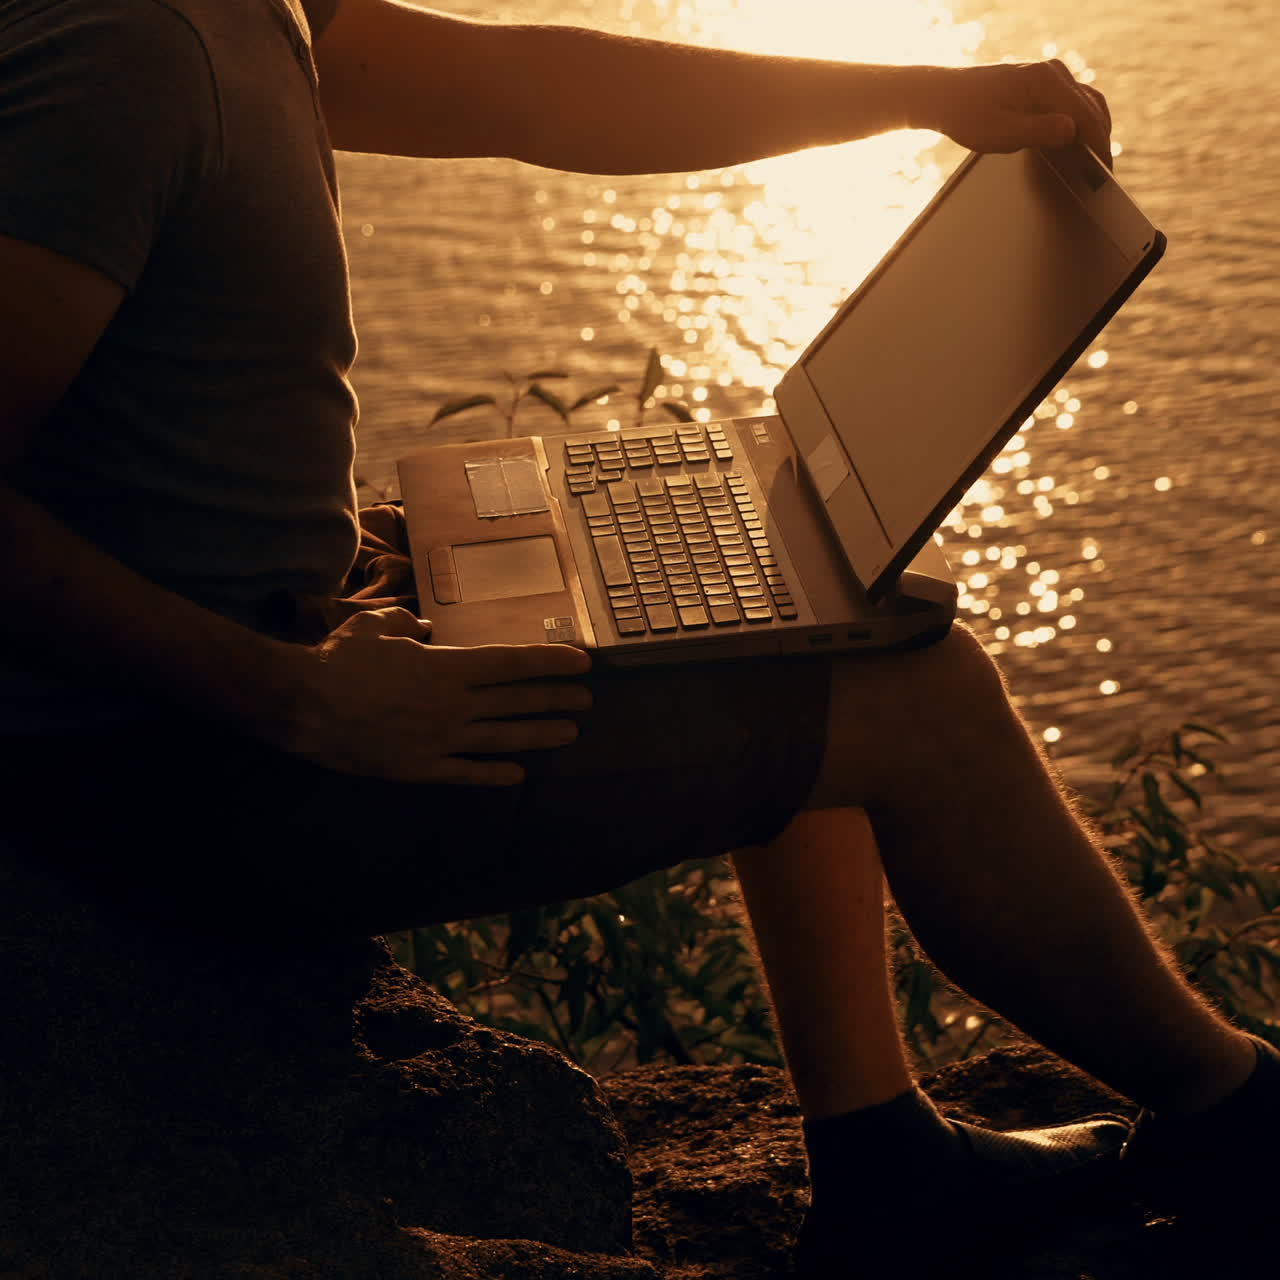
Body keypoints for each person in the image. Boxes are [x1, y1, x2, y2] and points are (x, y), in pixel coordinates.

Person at [0, 0, 1274, 1273]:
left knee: (797, 598)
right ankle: (1240, 1119)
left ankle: (882, 1155)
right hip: (182, 771)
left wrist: (916, 91)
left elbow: (522, 89)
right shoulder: (129, 48)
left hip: (259, 667)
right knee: (916, 691)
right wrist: (292, 694)